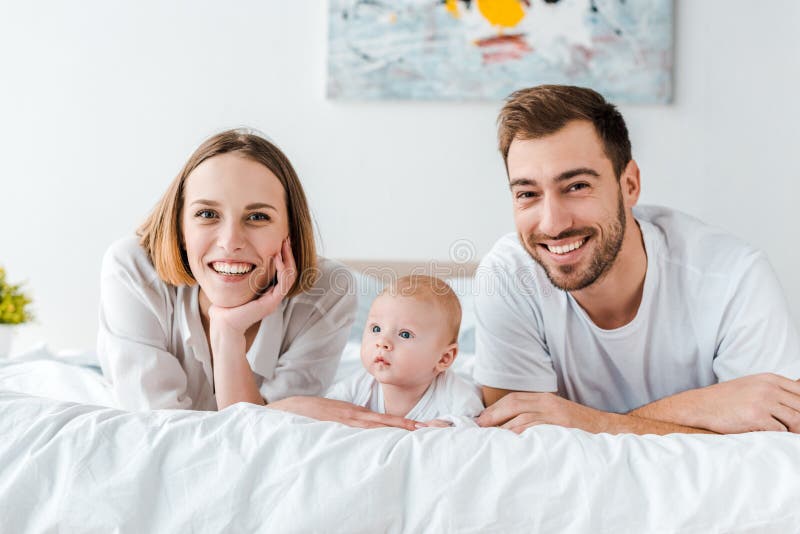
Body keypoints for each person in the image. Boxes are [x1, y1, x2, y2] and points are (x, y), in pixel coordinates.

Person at [473, 85, 800, 435]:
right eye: (527, 194)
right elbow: (522, 447)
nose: (553, 224)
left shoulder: (734, 276)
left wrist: (586, 422)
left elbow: (773, 448)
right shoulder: (508, 276)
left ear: (629, 184)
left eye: (577, 186)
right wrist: (699, 408)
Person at [97, 129, 418, 430]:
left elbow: (266, 445)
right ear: (180, 227)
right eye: (207, 214)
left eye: (257, 217)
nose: (230, 241)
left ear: (289, 230)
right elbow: (160, 429)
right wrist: (287, 411)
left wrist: (228, 334)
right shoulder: (133, 268)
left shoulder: (326, 290)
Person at [326, 275, 484, 426]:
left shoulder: (454, 394)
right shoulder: (361, 384)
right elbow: (330, 408)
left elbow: (475, 422)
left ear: (444, 358)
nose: (382, 342)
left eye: (405, 334)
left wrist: (448, 427)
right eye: (376, 329)